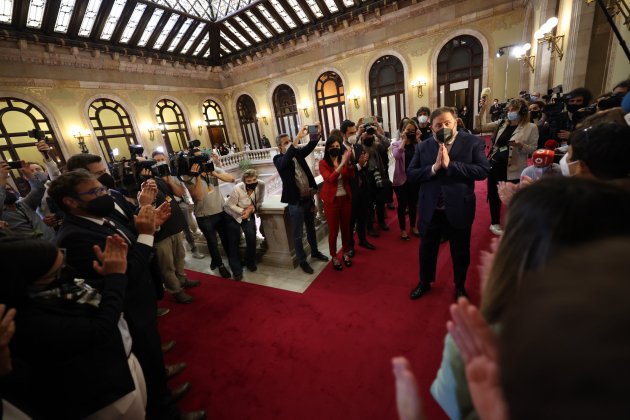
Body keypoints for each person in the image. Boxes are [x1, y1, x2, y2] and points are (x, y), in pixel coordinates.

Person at [430, 177, 630, 420]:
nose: (495, 244)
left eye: (506, 236)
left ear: (517, 254)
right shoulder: (612, 330)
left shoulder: (473, 346)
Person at [48, 170, 205, 420]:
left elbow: (129, 244)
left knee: (152, 360)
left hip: (140, 303)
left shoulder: (100, 216)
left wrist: (150, 225)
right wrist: (146, 234)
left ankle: (161, 396)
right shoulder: (75, 236)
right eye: (95, 192)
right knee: (146, 363)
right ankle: (164, 411)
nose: (104, 194)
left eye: (103, 189)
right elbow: (124, 275)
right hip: (127, 309)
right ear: (70, 201)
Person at [0, 235, 148, 419]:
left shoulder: (50, 288)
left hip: (121, 362)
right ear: (30, 282)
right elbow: (99, 329)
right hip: (103, 394)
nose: (68, 272)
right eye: (57, 271)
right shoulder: (28, 320)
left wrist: (114, 271)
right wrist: (115, 276)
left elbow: (90, 287)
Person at [407, 107, 490, 301]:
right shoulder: (423, 147)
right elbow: (411, 174)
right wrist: (434, 168)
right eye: (438, 125)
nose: (443, 127)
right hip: (431, 209)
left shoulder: (472, 142)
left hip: (459, 207)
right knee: (426, 250)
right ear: (431, 127)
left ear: (456, 123)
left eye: (447, 123)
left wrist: (451, 166)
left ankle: (460, 286)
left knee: (460, 251)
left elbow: (482, 170)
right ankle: (425, 282)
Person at [273, 125, 329, 274]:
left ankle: (315, 252)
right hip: (295, 203)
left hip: (307, 198)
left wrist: (316, 134)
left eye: (289, 141)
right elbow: (285, 161)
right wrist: (297, 138)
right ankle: (303, 261)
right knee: (298, 234)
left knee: (311, 229)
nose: (289, 144)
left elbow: (310, 146)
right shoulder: (278, 159)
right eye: (285, 143)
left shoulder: (297, 153)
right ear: (279, 147)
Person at [480, 98, 538, 236]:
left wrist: (521, 145)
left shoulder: (531, 127)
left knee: (514, 197)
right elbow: (481, 126)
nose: (510, 112)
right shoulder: (501, 123)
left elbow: (533, 150)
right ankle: (495, 222)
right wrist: (482, 110)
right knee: (494, 195)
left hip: (514, 167)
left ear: (522, 111)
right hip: (495, 165)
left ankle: (515, 222)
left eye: (514, 110)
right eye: (509, 109)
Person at [184, 152, 240, 280]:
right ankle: (220, 265)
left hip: (220, 212)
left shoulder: (212, 169)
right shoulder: (189, 176)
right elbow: (197, 196)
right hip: (204, 216)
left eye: (204, 160)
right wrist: (197, 176)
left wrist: (213, 172)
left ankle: (231, 263)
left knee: (226, 240)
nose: (203, 163)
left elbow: (231, 179)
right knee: (212, 242)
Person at [152, 151, 204, 259]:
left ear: (165, 159)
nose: (160, 163)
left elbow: (180, 193)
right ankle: (177, 255)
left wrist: (170, 181)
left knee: (186, 227)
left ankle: (193, 248)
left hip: (179, 205)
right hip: (163, 208)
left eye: (161, 160)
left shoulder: (174, 174)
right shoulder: (154, 177)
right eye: (157, 161)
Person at [319, 134, 354, 270]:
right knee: (333, 231)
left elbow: (350, 176)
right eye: (332, 146)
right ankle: (334, 256)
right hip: (331, 202)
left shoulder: (343, 159)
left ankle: (345, 253)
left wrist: (349, 163)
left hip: (345, 199)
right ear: (327, 148)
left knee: (346, 229)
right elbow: (330, 179)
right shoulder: (323, 163)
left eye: (337, 146)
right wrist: (341, 164)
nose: (335, 148)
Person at [340, 120, 374, 256]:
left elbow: (362, 168)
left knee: (362, 217)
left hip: (362, 189)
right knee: (350, 221)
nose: (354, 135)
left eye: (355, 132)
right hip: (349, 191)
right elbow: (344, 172)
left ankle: (363, 240)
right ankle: (350, 246)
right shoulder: (339, 150)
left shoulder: (358, 147)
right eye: (351, 133)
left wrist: (364, 162)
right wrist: (359, 165)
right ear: (343, 134)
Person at [0, 160, 56, 242]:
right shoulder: (2, 215)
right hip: (32, 252)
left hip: (54, 243)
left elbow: (39, 189)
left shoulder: (24, 204)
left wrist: (29, 175)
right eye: (4, 190)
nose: (7, 192)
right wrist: (2, 180)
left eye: (8, 189)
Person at [224, 169, 266, 273]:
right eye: (249, 181)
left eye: (254, 179)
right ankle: (235, 266)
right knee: (234, 240)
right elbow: (230, 205)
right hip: (232, 214)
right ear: (244, 181)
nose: (252, 182)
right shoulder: (237, 188)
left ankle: (250, 261)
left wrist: (251, 209)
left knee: (251, 238)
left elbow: (259, 201)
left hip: (248, 213)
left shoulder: (261, 185)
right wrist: (243, 211)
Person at [392, 120, 420, 240]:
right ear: (403, 130)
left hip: (414, 180)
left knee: (413, 205)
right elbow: (397, 156)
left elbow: (425, 154)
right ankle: (403, 229)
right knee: (402, 206)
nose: (410, 132)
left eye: (412, 130)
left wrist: (418, 139)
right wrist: (403, 140)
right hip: (401, 180)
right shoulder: (396, 143)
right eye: (408, 130)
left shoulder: (416, 144)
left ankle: (413, 226)